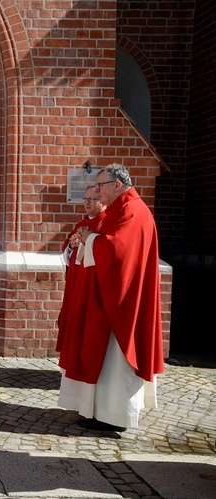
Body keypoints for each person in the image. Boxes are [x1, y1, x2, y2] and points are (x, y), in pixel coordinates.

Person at [57, 164, 164, 432]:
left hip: (122, 302)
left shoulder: (131, 210)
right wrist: (88, 239)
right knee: (102, 360)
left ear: (117, 184)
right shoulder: (124, 208)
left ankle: (115, 416)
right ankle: (100, 411)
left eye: (101, 187)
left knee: (116, 361)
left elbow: (117, 252)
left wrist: (91, 238)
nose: (98, 194)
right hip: (112, 296)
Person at [56, 185, 107, 359]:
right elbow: (68, 251)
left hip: (91, 284)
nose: (87, 203)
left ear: (103, 200)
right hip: (75, 282)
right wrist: (72, 245)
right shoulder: (82, 223)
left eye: (92, 199)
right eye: (85, 199)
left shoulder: (105, 223)